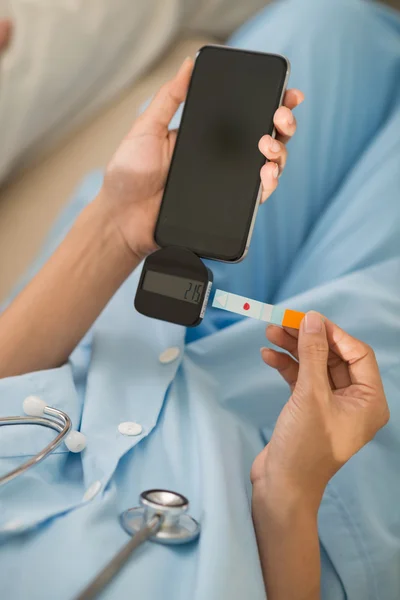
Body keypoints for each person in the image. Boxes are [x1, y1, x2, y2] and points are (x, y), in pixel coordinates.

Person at [0, 0, 399, 599]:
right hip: (297, 470)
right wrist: (289, 493)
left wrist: (118, 225)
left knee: (338, 22)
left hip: (96, 322)